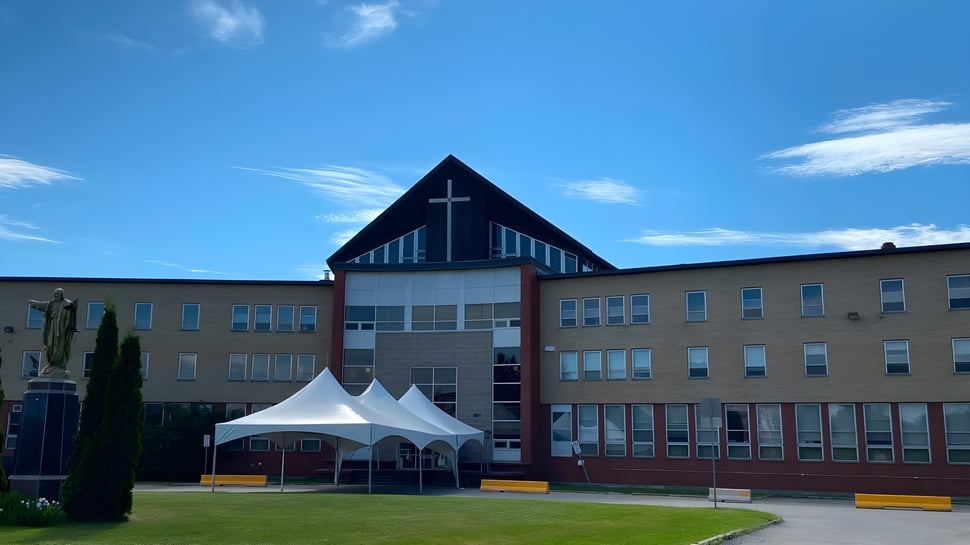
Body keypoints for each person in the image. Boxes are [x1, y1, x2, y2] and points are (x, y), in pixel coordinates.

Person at [28, 288, 78, 377]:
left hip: (61, 329)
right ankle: (52, 364)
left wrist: (73, 305)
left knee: (59, 345)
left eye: (58, 294)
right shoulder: (51, 303)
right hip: (52, 327)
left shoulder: (66, 303)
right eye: (55, 294)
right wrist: (33, 303)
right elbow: (42, 305)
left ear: (62, 295)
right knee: (50, 345)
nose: (56, 296)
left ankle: (59, 364)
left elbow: (72, 307)